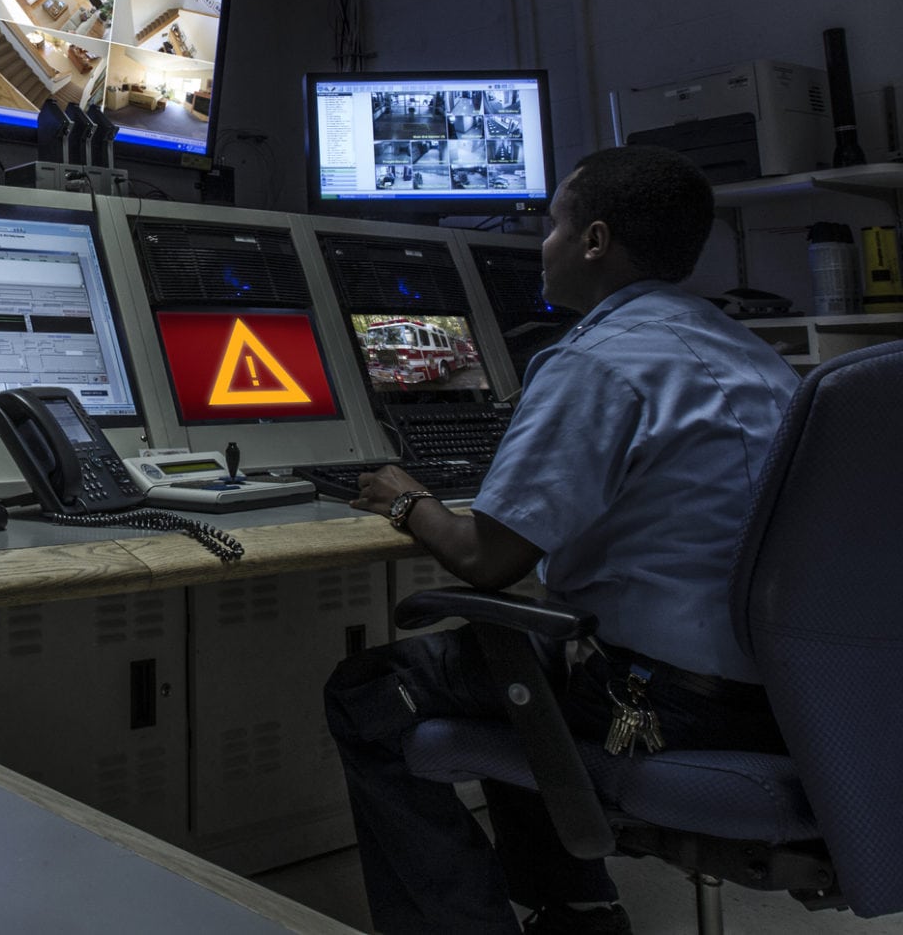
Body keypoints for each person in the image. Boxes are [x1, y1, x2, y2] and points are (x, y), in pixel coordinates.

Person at [323, 145, 798, 935]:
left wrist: (409, 500)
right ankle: (580, 911)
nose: (540, 243)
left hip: (658, 699)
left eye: (550, 224)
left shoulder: (596, 362)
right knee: (514, 658)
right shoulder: (754, 357)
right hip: (780, 695)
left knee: (370, 691)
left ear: (594, 240)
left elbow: (488, 558)